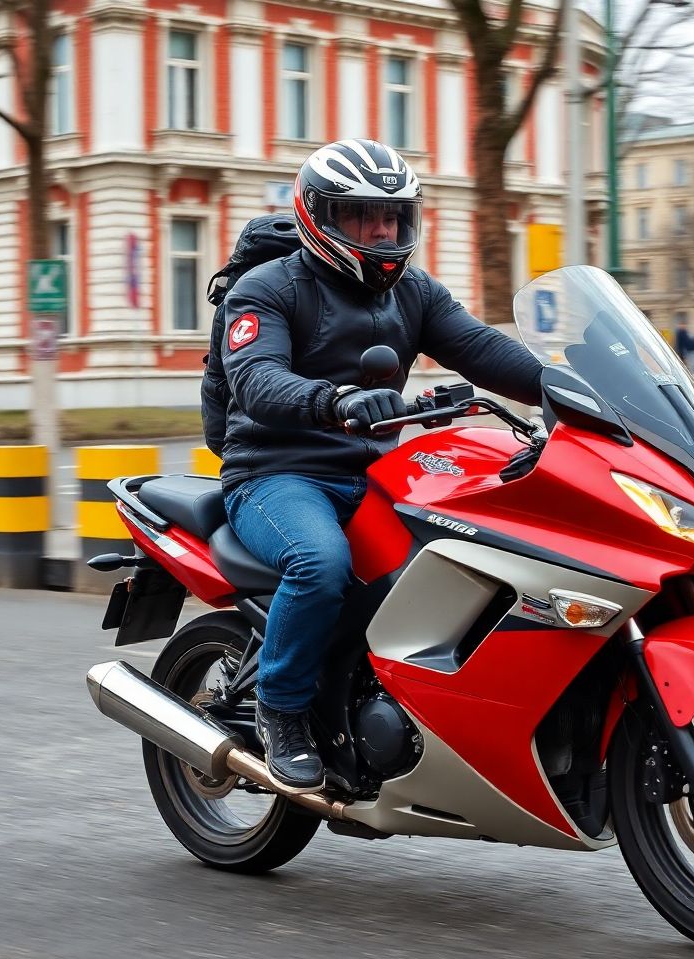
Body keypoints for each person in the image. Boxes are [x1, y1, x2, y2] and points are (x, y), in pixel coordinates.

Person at [220, 139, 544, 791]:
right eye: (364, 215)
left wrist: (582, 391)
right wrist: (335, 400)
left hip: (376, 474)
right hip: (276, 475)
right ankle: (280, 712)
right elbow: (257, 382)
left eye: (394, 217)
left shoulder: (414, 293)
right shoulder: (267, 289)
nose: (383, 230)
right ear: (321, 216)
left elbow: (482, 350)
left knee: (470, 557)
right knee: (320, 566)